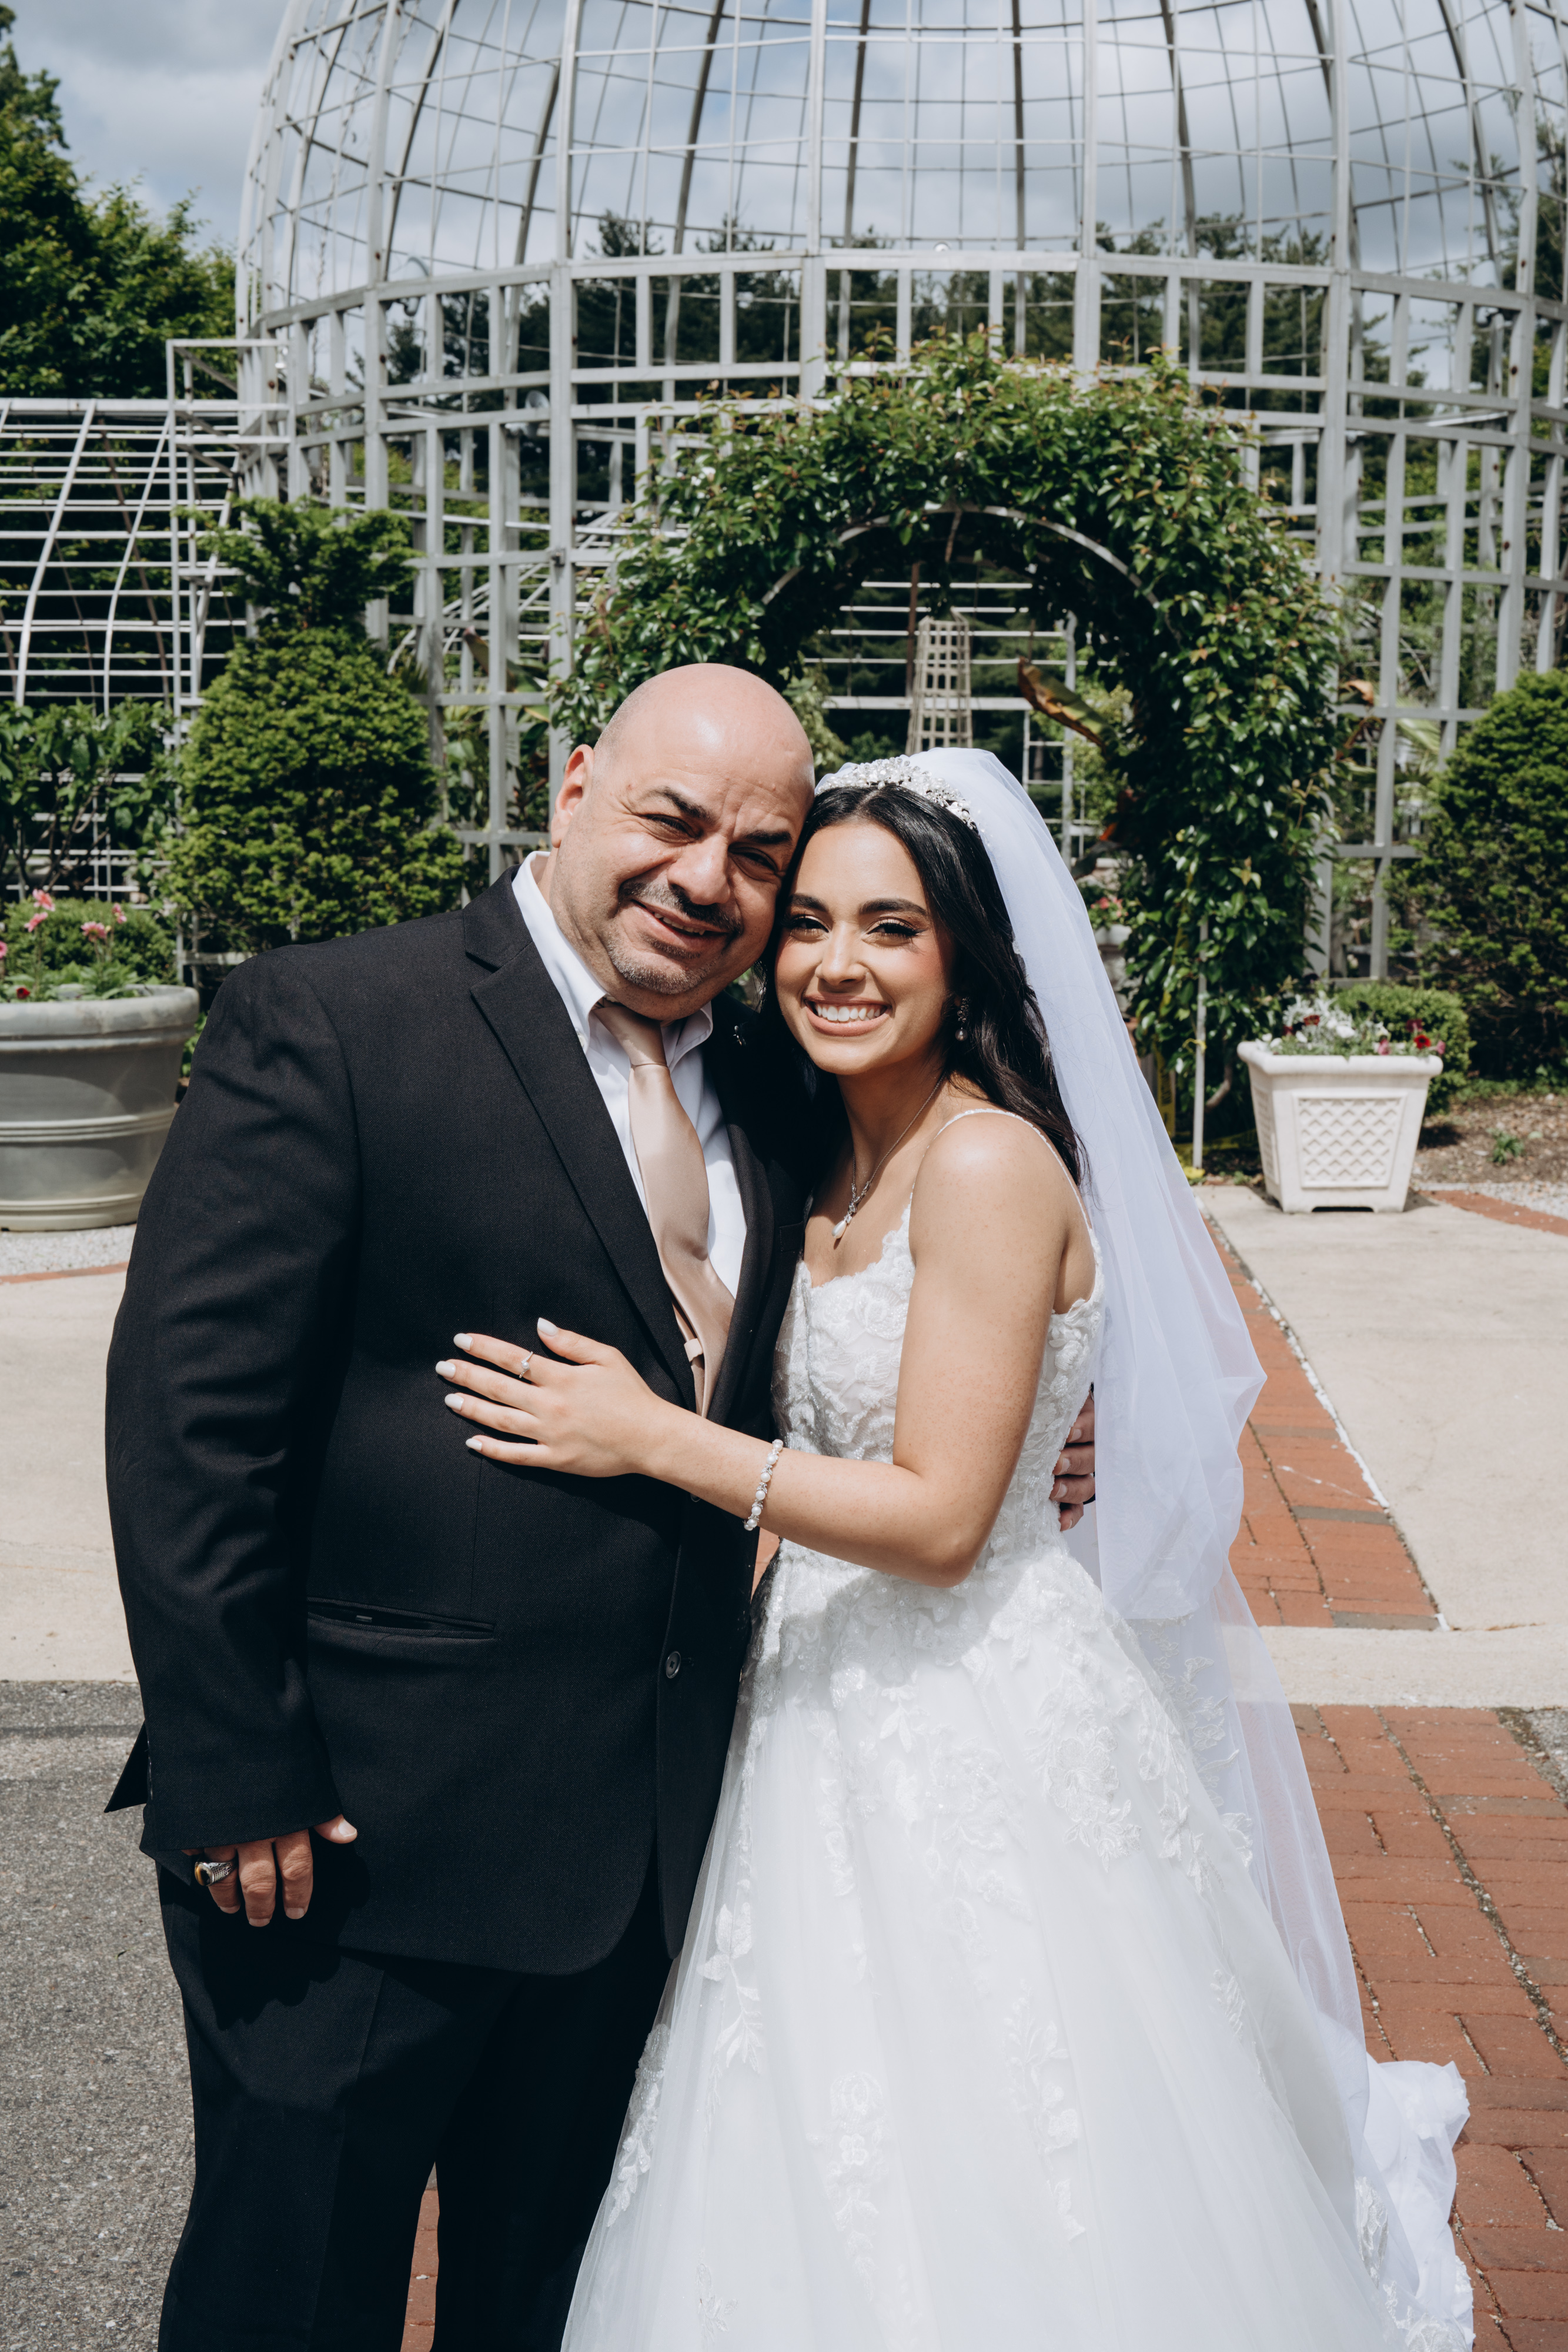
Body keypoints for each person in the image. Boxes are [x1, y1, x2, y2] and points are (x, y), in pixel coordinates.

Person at [103, 663, 1102, 2350]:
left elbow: (919, 1320)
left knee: (557, 2307)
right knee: (295, 2296)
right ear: (574, 788)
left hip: (654, 1850)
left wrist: (1044, 1435)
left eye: (757, 853)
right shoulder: (337, 1018)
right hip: (356, 1845)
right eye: (671, 820)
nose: (708, 880)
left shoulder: (784, 1085)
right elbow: (191, 1427)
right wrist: (234, 1765)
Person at [440, 750, 1473, 2350]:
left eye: (892, 927)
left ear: (965, 956)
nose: (836, 964)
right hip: (813, 1701)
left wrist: (648, 1438)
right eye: (807, 923)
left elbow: (936, 1522)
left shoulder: (985, 1163)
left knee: (997, 2123)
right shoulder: (822, 1149)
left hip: (965, 1709)